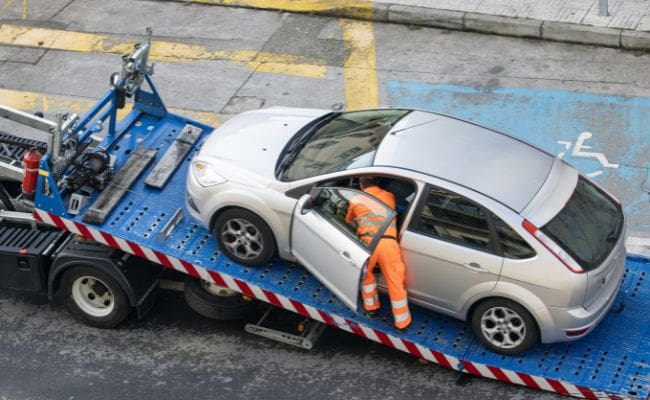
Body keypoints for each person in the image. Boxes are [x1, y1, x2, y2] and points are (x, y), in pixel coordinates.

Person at [345, 176, 412, 331]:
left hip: (368, 244)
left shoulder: (356, 200)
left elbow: (348, 221)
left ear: (361, 185)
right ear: (377, 183)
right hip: (389, 243)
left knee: (367, 277)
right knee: (395, 281)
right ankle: (402, 323)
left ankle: (372, 309)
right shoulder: (389, 196)